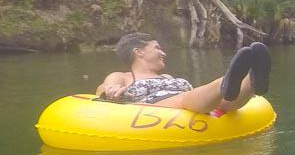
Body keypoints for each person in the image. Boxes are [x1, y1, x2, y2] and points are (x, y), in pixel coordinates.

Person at [96, 32, 271, 115]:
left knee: (225, 104)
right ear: (138, 52)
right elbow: (105, 87)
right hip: (157, 108)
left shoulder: (168, 78)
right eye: (157, 48)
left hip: (195, 103)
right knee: (184, 99)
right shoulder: (124, 76)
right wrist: (111, 91)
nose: (163, 53)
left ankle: (252, 80)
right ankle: (225, 83)